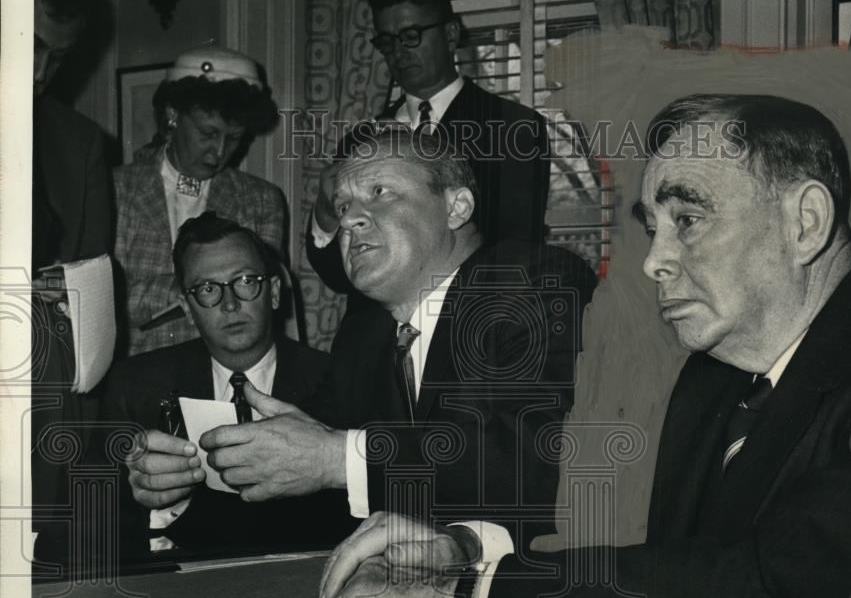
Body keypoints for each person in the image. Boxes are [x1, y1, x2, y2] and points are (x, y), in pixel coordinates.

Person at [316, 95, 851, 598]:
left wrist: (464, 596)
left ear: (805, 222)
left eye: (687, 219)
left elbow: (773, 587)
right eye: (652, 227)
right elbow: (648, 556)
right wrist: (468, 550)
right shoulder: (713, 374)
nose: (654, 260)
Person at [137, 125, 595, 557]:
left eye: (379, 193)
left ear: (457, 207)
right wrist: (183, 488)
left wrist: (338, 458)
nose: (350, 219)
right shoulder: (364, 336)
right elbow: (307, 502)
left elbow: (537, 462)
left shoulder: (534, 283)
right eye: (341, 206)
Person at [102, 213, 349, 561]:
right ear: (187, 309)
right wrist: (152, 501)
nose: (230, 304)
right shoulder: (134, 385)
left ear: (274, 293)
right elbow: (96, 525)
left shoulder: (338, 380)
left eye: (245, 281)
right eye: (207, 290)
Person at [306, 0, 551, 297]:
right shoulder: (359, 141)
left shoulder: (515, 127)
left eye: (411, 36)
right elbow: (338, 278)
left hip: (470, 323)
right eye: (387, 41)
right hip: (376, 337)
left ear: (450, 34)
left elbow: (516, 251)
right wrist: (326, 216)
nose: (398, 51)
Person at [114, 45, 287, 356]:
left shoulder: (261, 200)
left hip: (224, 372)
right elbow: (106, 299)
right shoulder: (117, 190)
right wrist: (210, 289)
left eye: (234, 138)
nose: (219, 152)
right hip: (134, 372)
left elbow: (258, 305)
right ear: (173, 116)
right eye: (208, 133)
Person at [32, 0, 115, 559]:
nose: (41, 73)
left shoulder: (80, 143)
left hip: (40, 420)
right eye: (31, 45)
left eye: (58, 57)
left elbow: (88, 320)